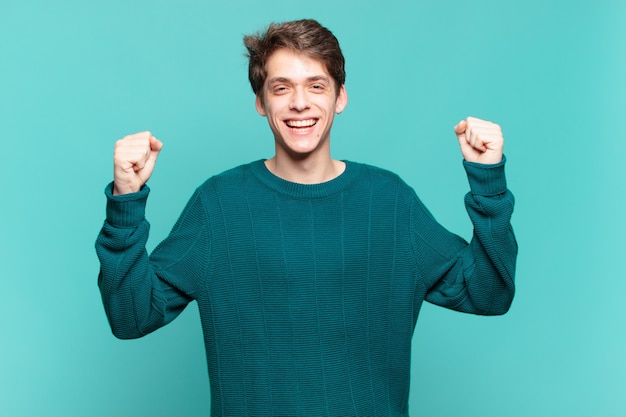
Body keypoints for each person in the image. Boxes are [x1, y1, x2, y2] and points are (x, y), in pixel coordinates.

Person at [96, 19, 517, 416]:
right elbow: (131, 316)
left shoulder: (389, 201)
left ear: (340, 96)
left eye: (316, 85)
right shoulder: (218, 205)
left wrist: (488, 182)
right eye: (282, 88)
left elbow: (489, 294)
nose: (300, 102)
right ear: (261, 102)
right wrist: (126, 199)